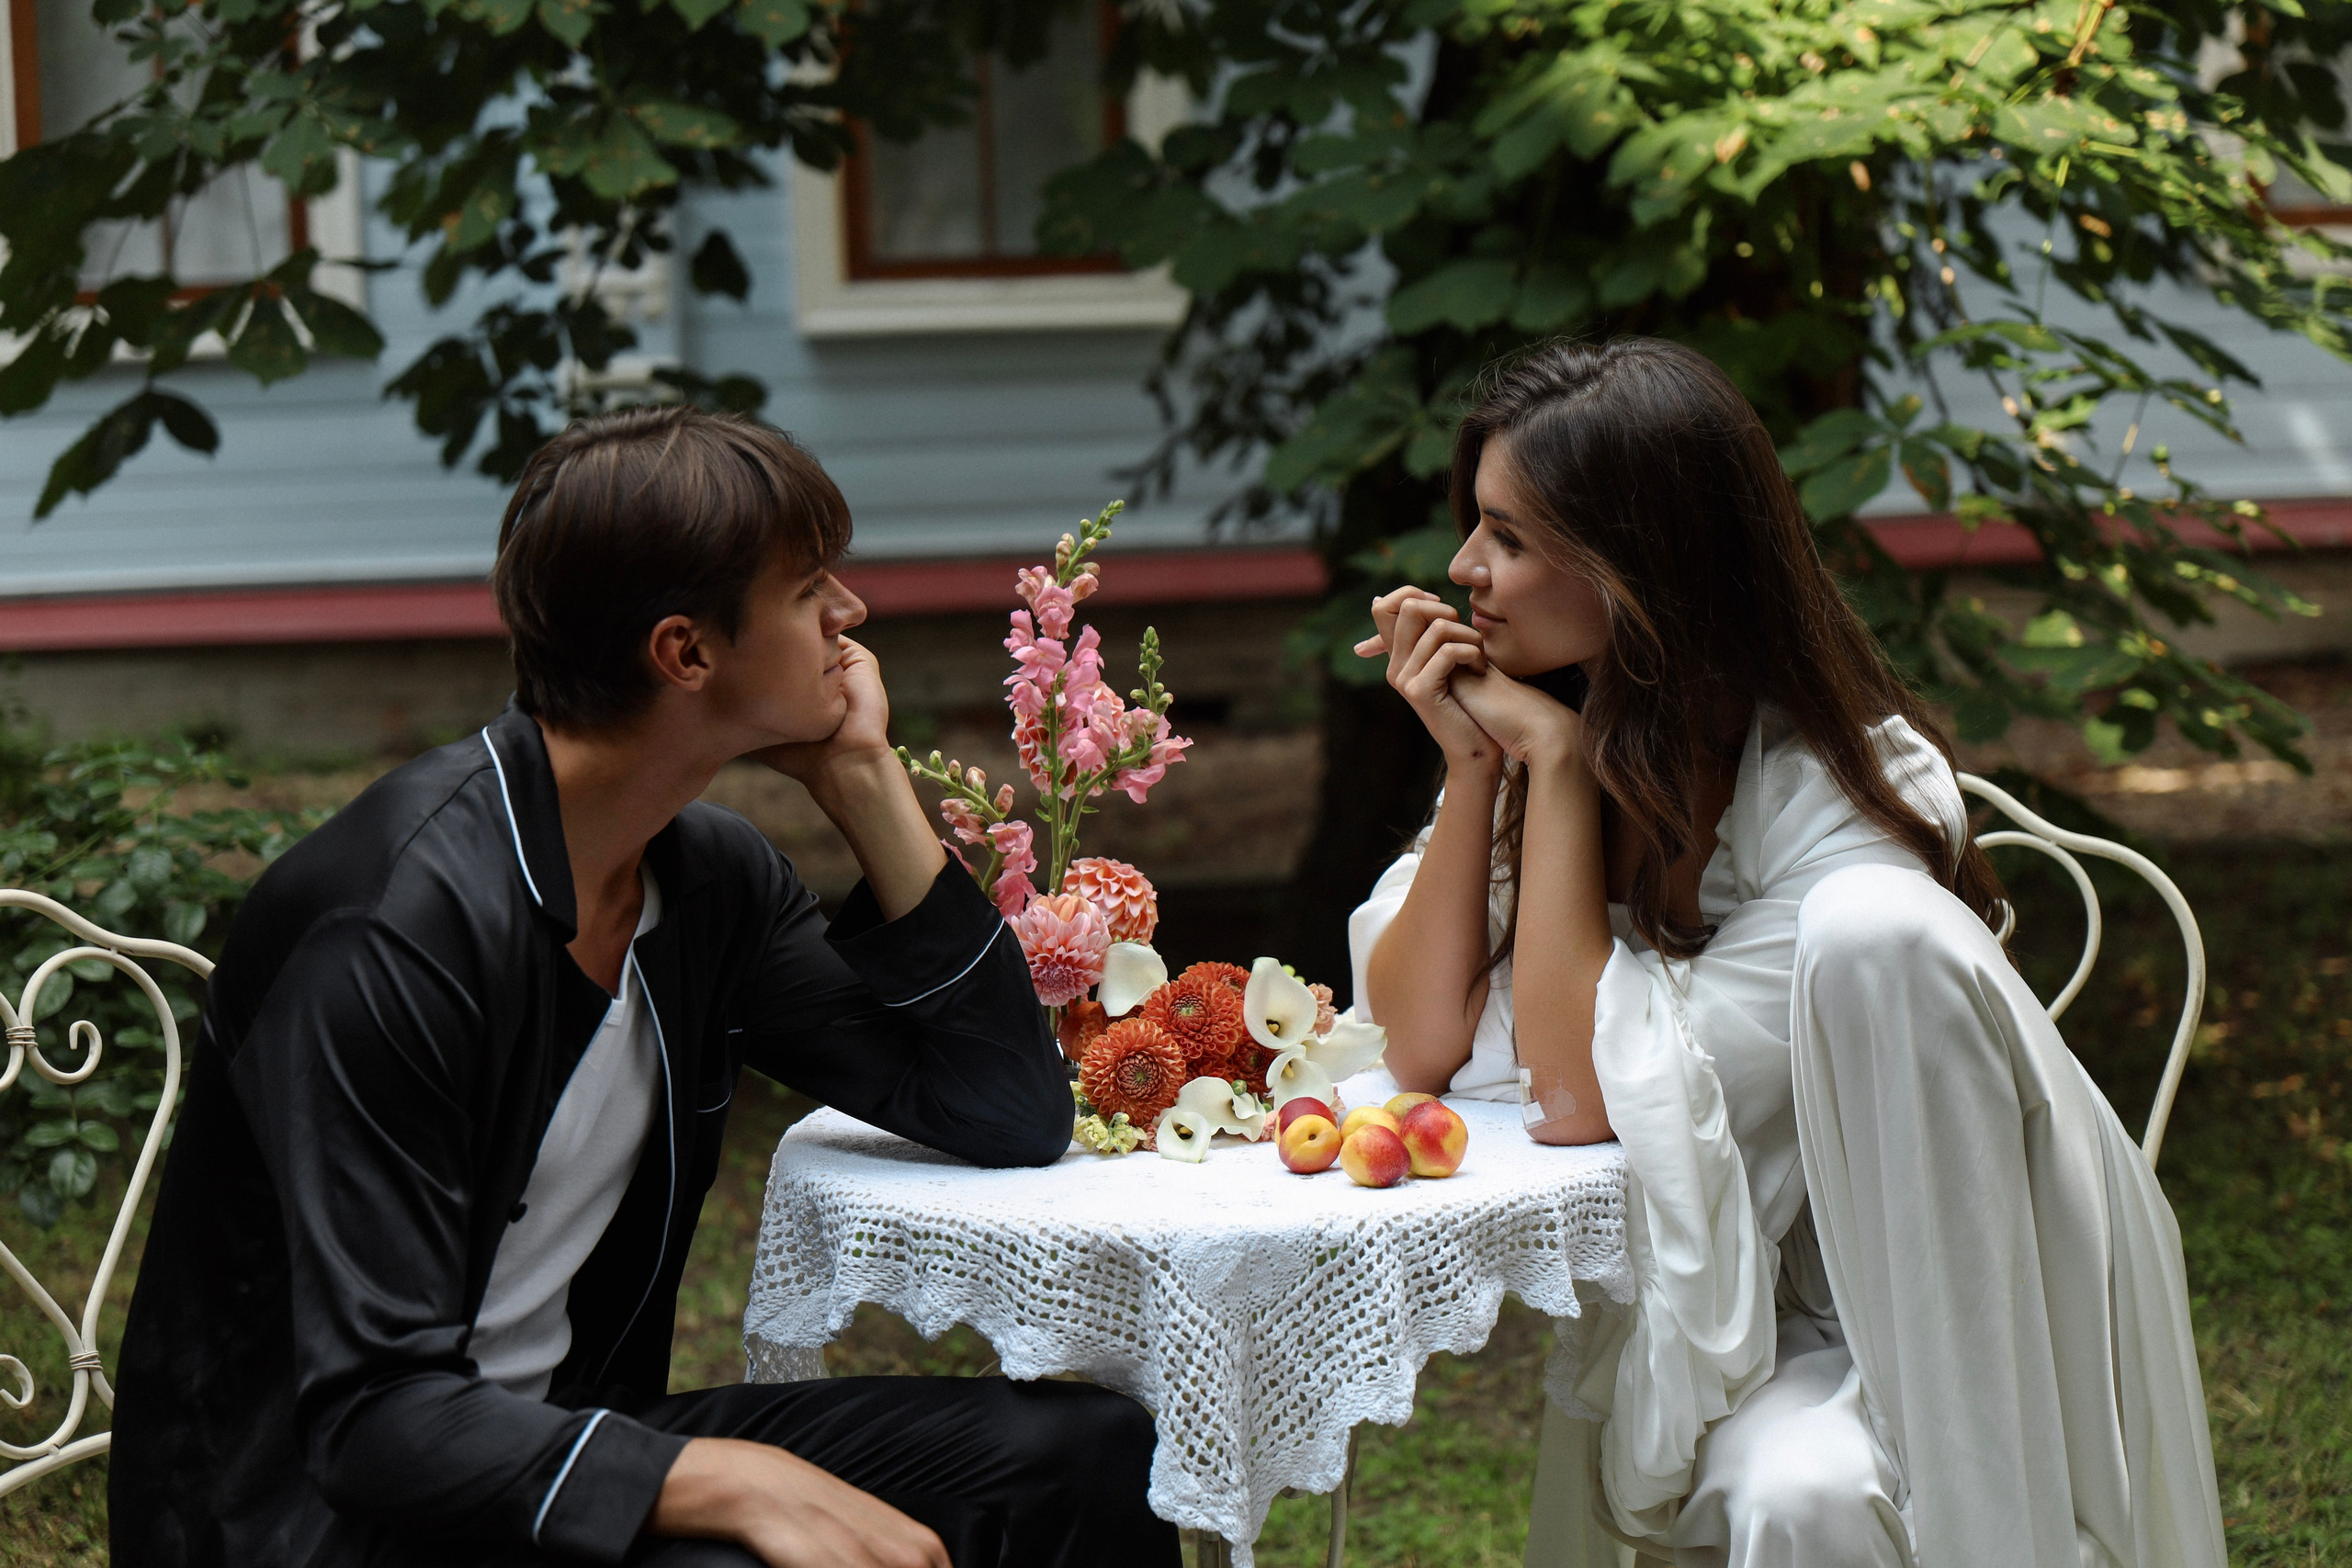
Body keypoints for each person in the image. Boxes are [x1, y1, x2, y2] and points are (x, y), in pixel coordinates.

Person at [110, 408, 1177, 1568]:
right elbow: (372, 1418)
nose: (850, 614)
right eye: (810, 585)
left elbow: (1003, 1113)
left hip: (548, 1449)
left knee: (1084, 1455)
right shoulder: (395, 928)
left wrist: (867, 781)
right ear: (686, 653)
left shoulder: (702, 883)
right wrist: (706, 1476)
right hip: (317, 1520)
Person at [1346, 339, 2225, 1567]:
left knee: (1873, 934)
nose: (1461, 569)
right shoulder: (1581, 760)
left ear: (1640, 565)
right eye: (1472, 524)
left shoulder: (1844, 808)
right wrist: (1490, 762)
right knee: (1789, 1495)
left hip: (1974, 1288)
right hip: (1772, 1306)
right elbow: (1419, 1038)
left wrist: (1552, 764)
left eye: (1509, 534)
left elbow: (1575, 1087)